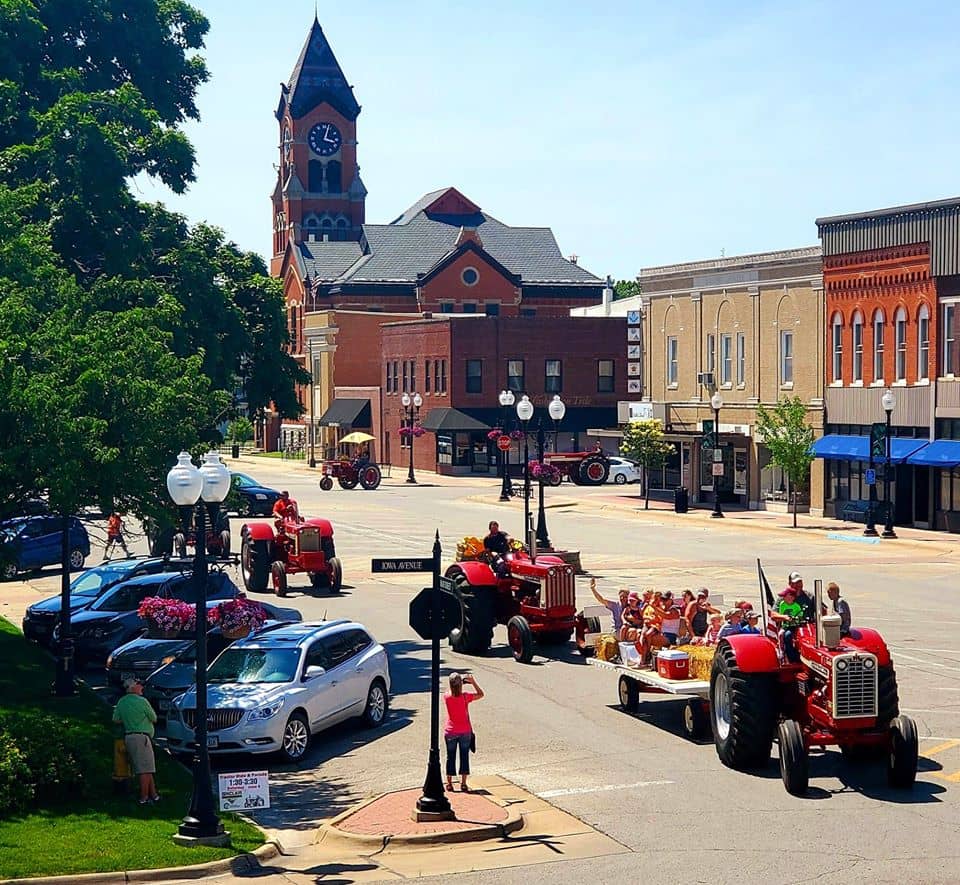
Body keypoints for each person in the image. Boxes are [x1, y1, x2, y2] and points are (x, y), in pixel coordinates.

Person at [112, 677, 159, 805]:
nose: (142, 687)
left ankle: (154, 795)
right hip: (142, 738)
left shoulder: (121, 702)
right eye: (139, 685)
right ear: (133, 687)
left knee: (148, 768)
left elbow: (116, 719)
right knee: (144, 770)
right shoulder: (142, 701)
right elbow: (154, 718)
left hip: (130, 737)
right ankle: (144, 798)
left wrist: (129, 720)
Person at [444, 672, 484, 793]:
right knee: (464, 756)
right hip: (465, 731)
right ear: (461, 685)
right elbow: (481, 694)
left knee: (450, 757)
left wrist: (457, 682)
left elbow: (451, 690)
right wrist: (472, 682)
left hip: (450, 731)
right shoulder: (465, 697)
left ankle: (450, 783)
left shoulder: (447, 696)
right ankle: (463, 783)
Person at [771, 587, 805, 663]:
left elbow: (800, 617)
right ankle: (781, 651)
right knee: (780, 634)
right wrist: (785, 618)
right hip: (785, 625)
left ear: (792, 597)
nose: (783, 597)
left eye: (785, 596)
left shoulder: (796, 606)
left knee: (788, 635)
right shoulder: (782, 604)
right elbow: (780, 615)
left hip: (794, 626)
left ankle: (792, 657)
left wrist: (795, 618)